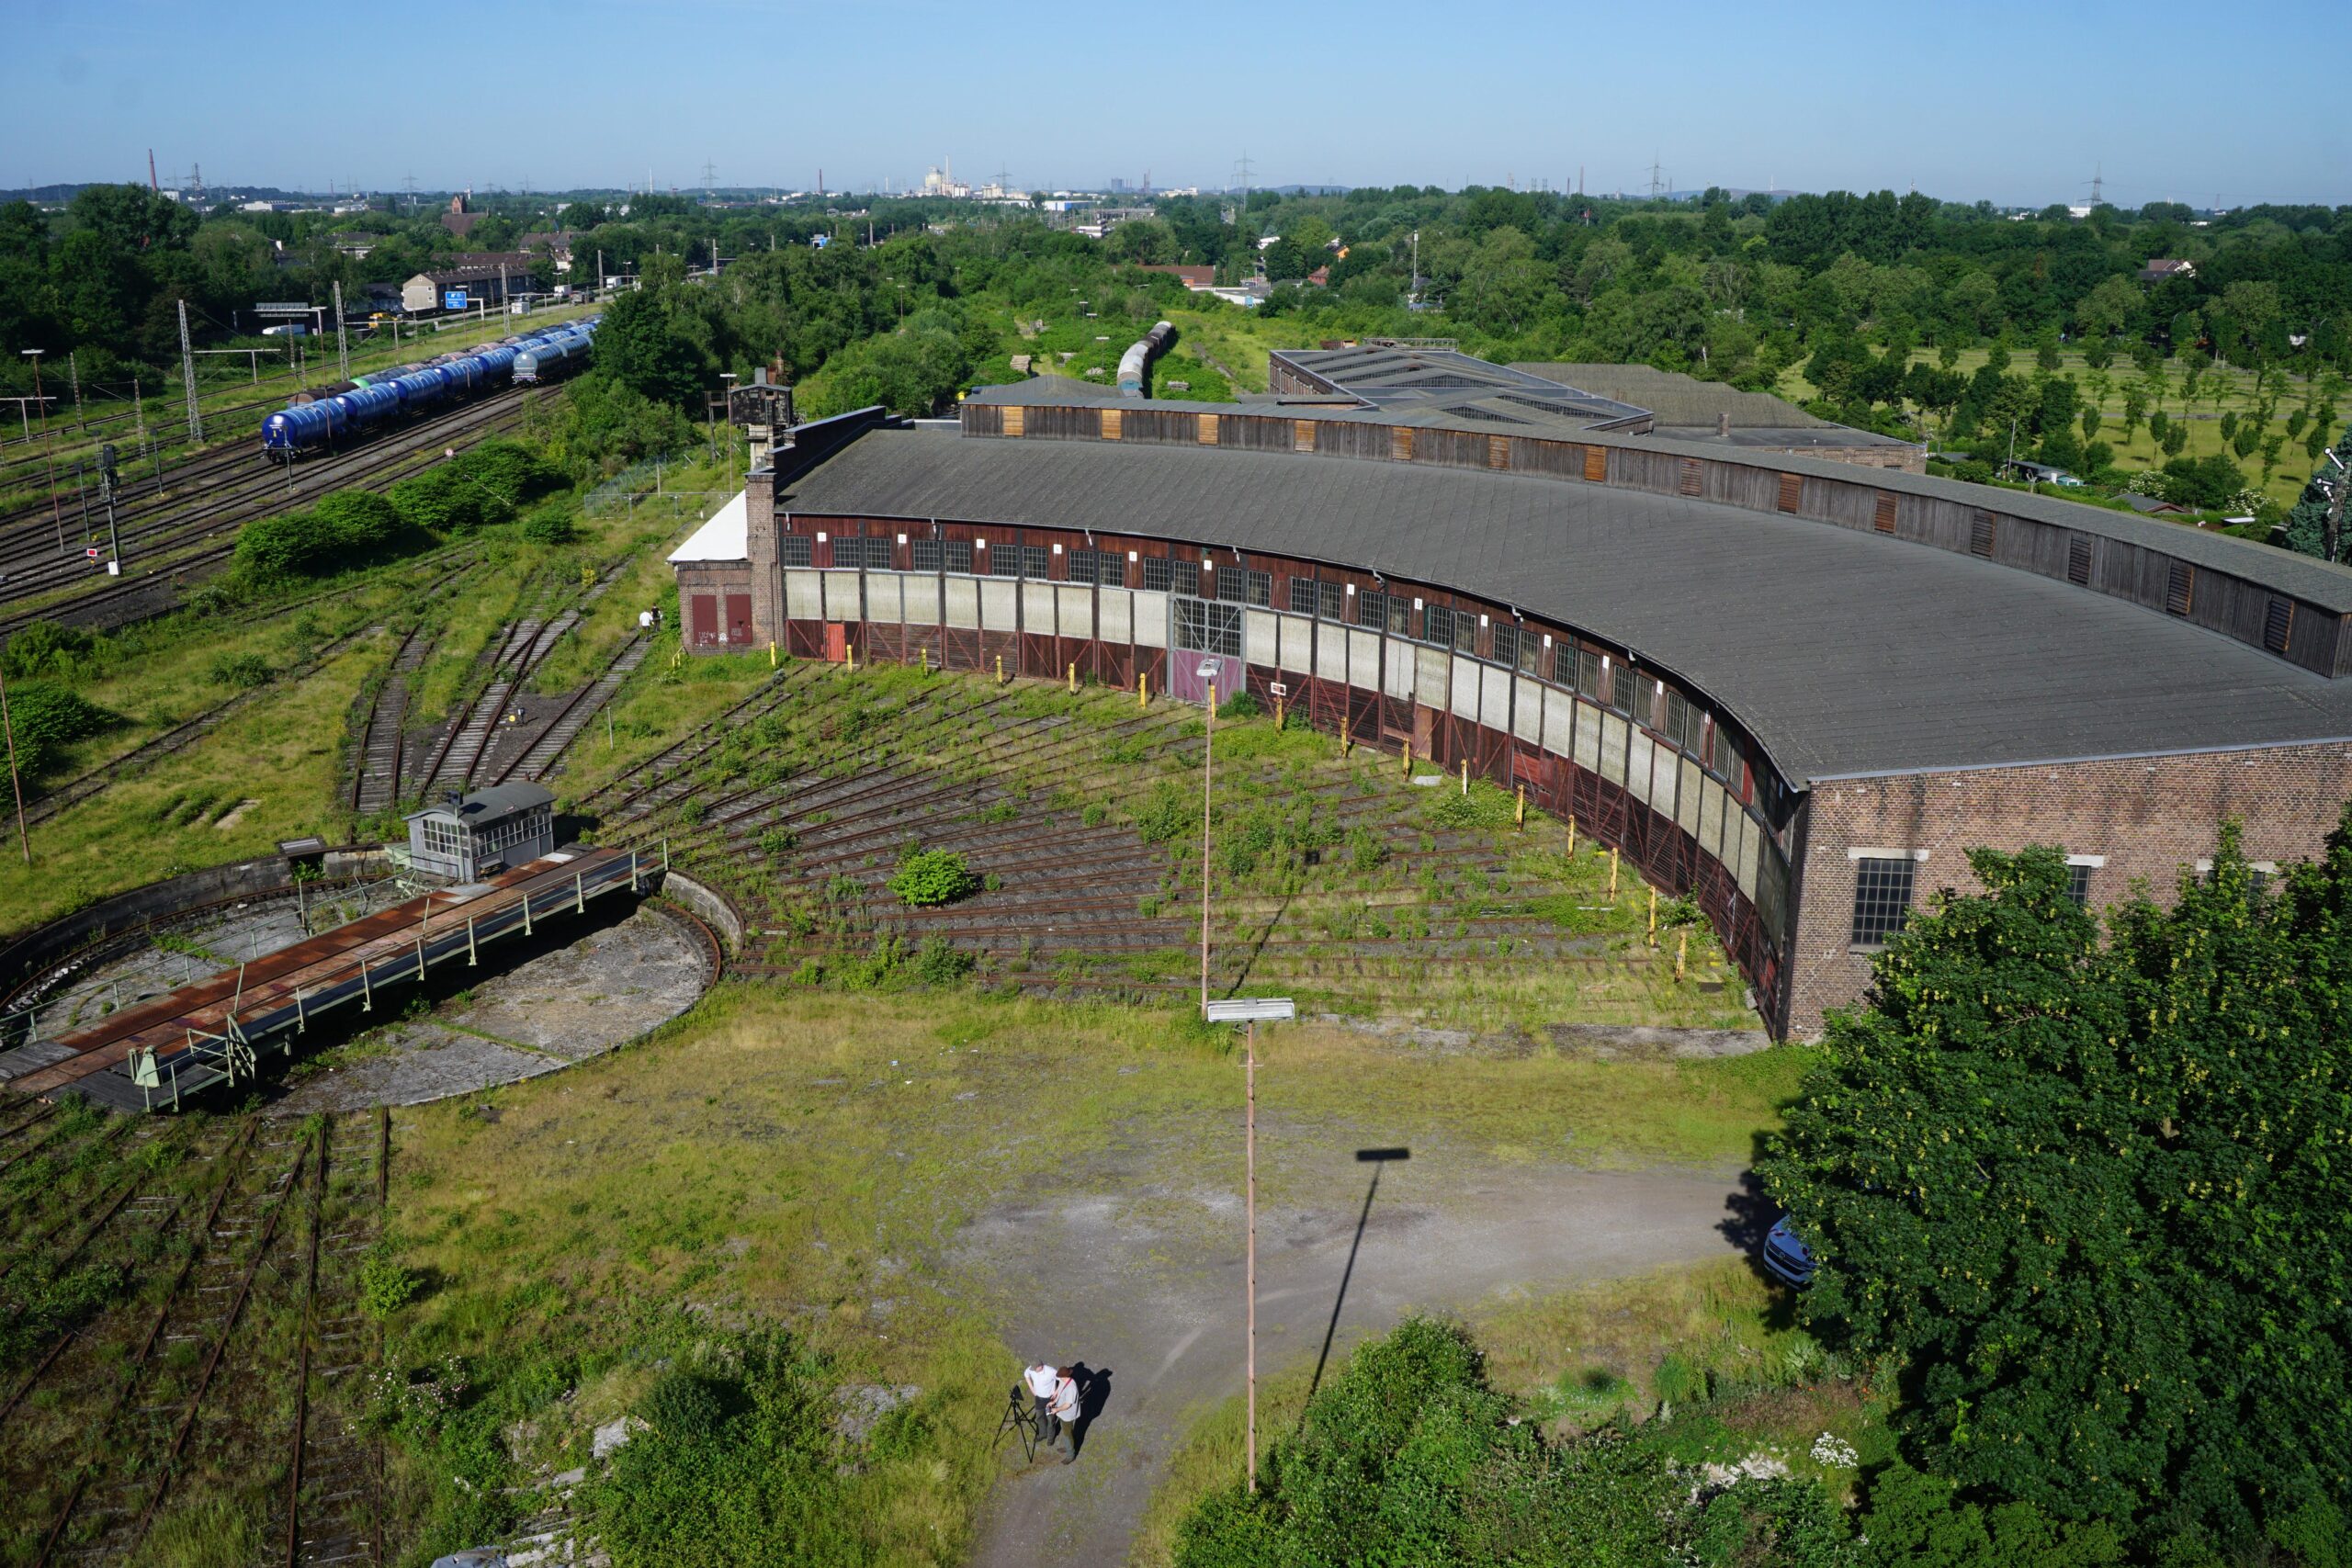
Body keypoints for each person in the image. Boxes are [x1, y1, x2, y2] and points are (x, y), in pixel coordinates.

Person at [1046, 1368, 1080, 1461]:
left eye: (1059, 1377)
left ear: (1064, 1376)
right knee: (1067, 1432)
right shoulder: (1064, 1380)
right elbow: (1060, 1387)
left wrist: (1056, 1409)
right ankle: (1068, 1446)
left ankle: (1070, 1454)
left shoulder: (1071, 1388)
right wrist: (1055, 1398)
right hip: (1062, 1413)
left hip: (1067, 1415)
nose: (1059, 1378)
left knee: (1067, 1434)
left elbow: (1067, 1405)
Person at [1022, 1360, 1058, 1440]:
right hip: (1038, 1399)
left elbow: (1062, 1379)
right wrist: (1032, 1389)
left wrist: (1056, 1392)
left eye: (1035, 1368)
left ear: (1041, 1366)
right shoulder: (1031, 1369)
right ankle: (1042, 1434)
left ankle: (1051, 1438)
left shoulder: (1051, 1371)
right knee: (1039, 1417)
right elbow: (1026, 1374)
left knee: (1050, 1420)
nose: (1033, 1370)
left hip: (1049, 1400)